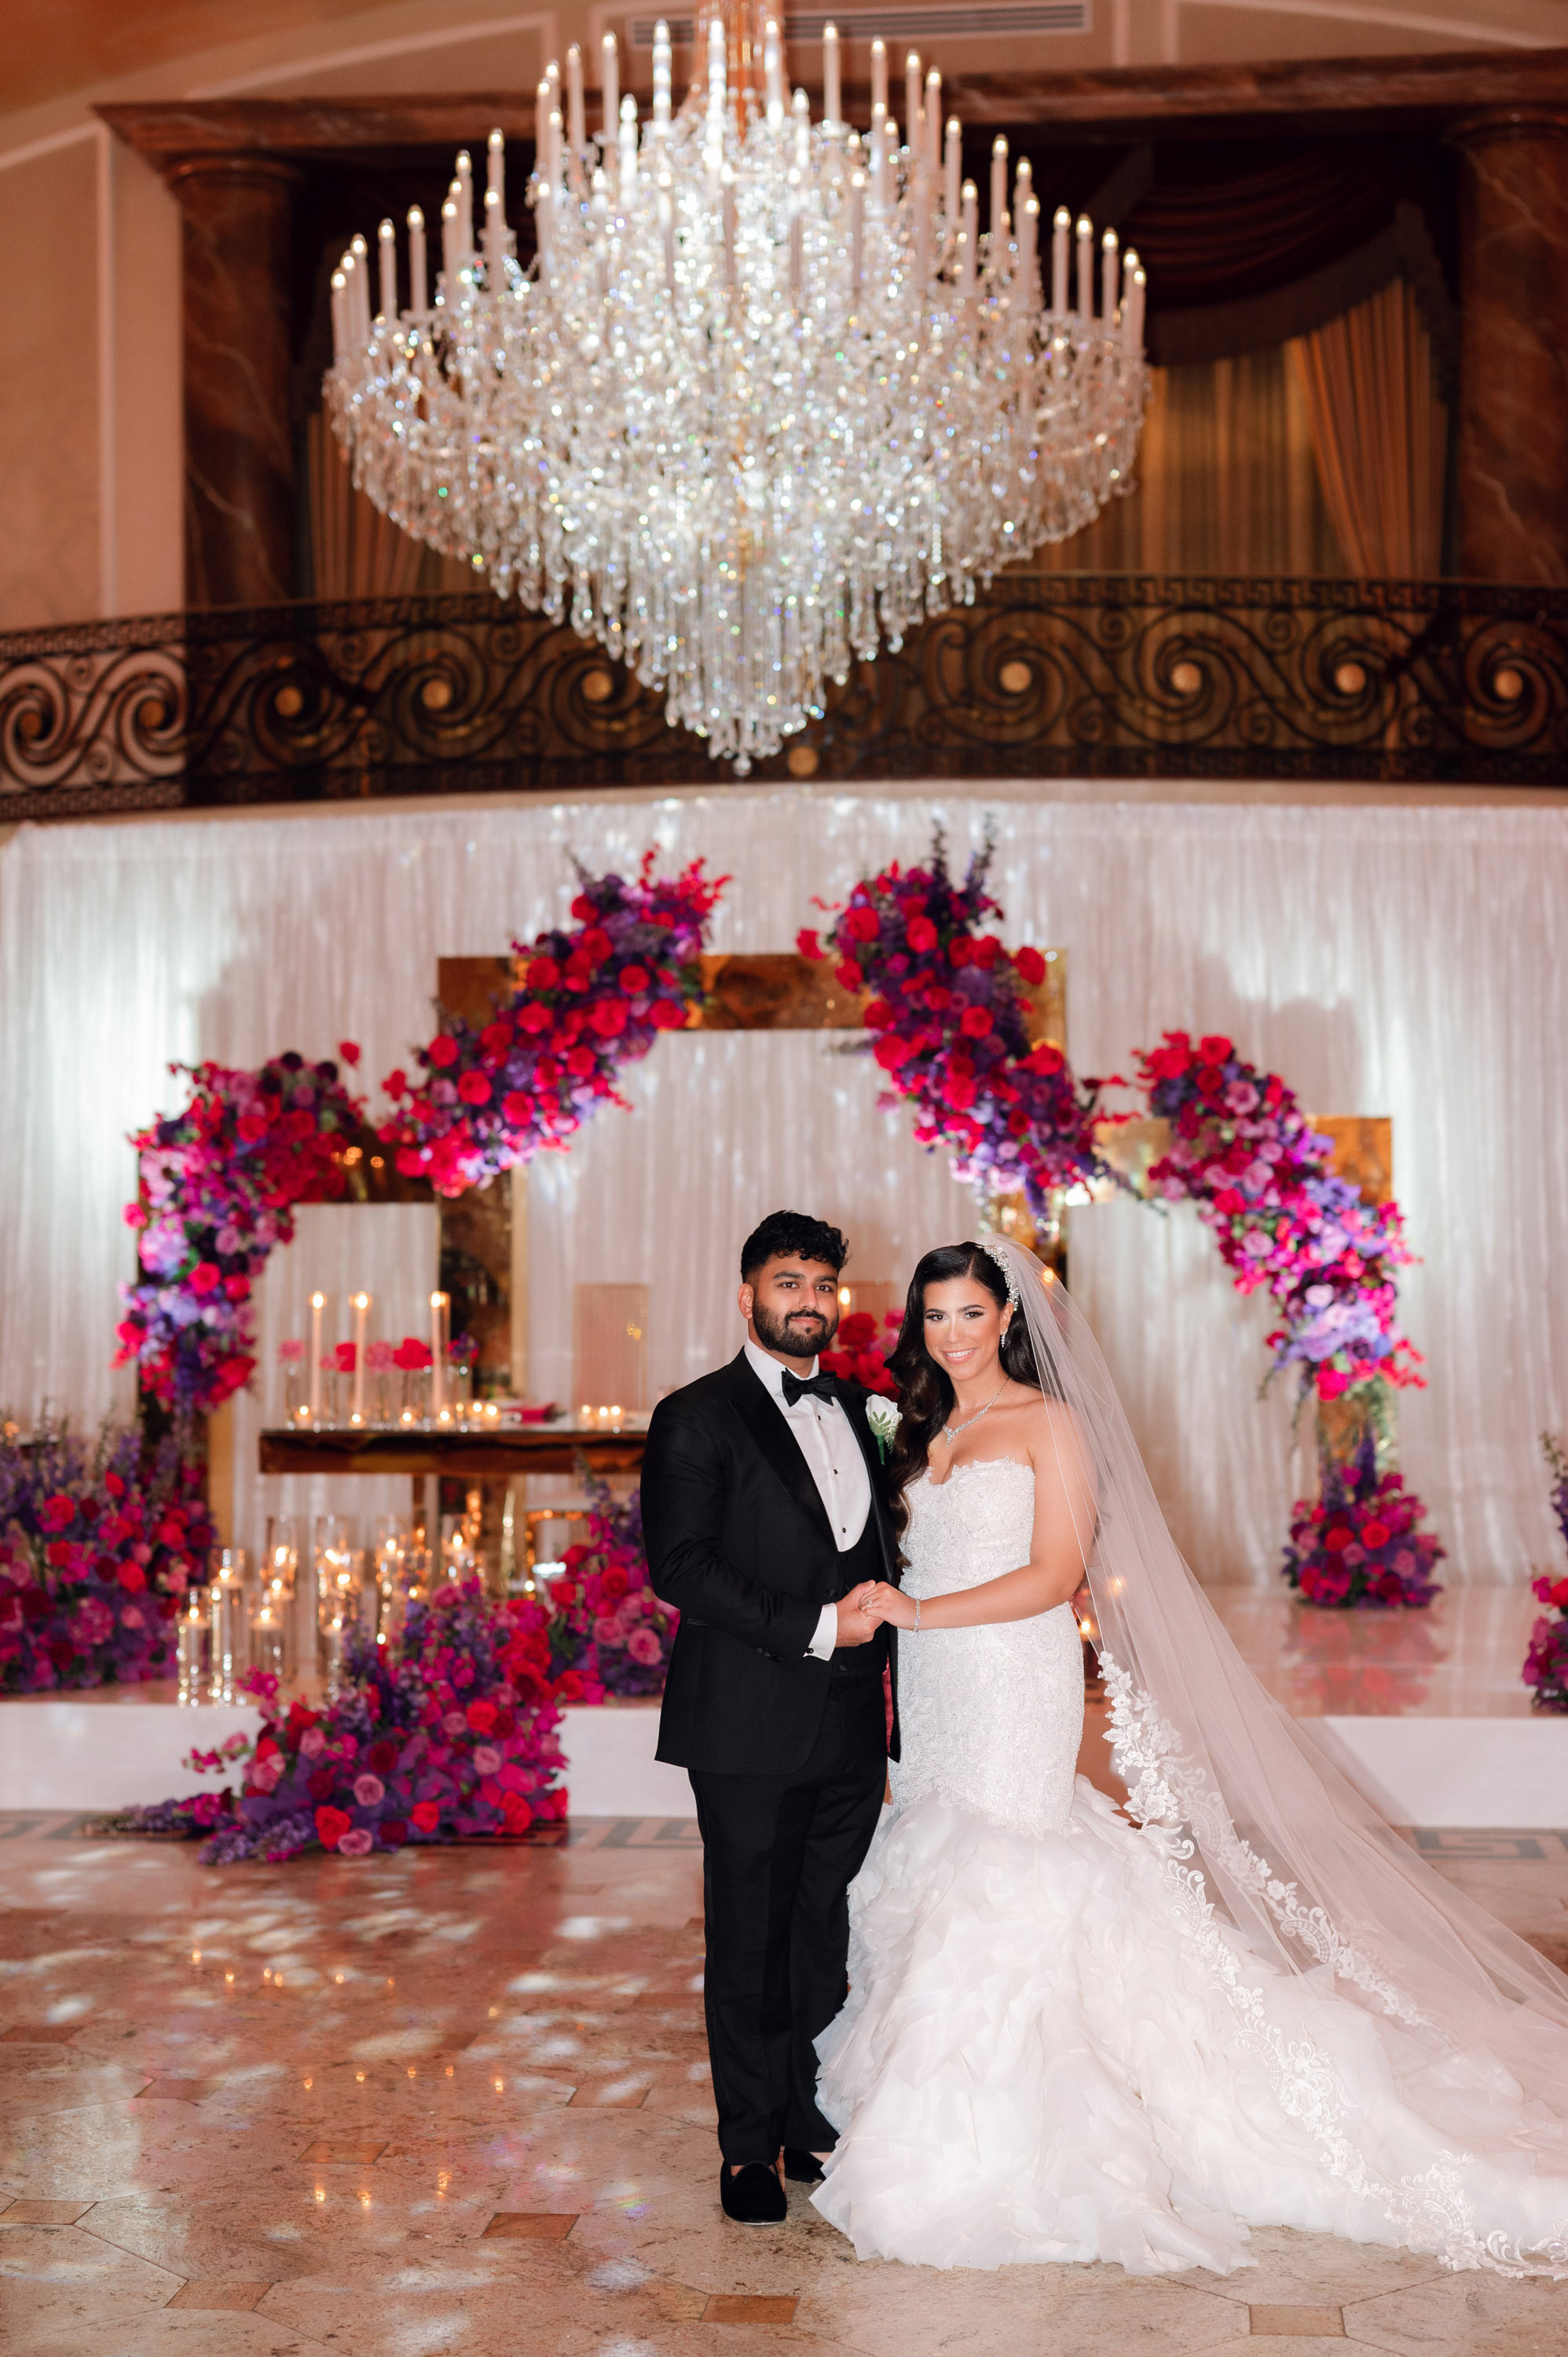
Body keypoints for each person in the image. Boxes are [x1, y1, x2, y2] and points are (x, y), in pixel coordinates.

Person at [811, 1234, 1568, 2276]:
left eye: (970, 1314)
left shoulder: (1052, 1423)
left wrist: (923, 1613)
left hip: (1006, 1676)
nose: (952, 1334)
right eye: (934, 1316)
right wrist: (896, 1618)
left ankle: (1005, 2128)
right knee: (941, 1846)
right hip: (938, 1684)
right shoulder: (925, 1422)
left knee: (1010, 1858)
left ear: (1006, 1321)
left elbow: (1054, 1573)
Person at [641, 1210, 900, 2227]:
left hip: (848, 1724)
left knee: (819, 1932)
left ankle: (804, 2120)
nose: (809, 1301)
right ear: (747, 1296)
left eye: (824, 1284)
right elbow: (682, 1568)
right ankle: (746, 2147)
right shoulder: (696, 1416)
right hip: (748, 1720)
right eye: (789, 1282)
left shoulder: (859, 1410)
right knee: (748, 1939)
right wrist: (816, 1625)